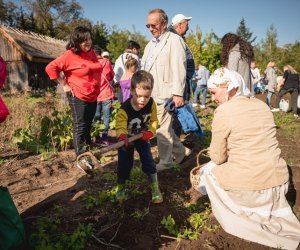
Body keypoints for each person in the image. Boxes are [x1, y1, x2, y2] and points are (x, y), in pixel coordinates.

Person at [198, 67, 300, 249]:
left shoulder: (224, 111)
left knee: (208, 171)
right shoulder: (262, 105)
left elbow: (218, 157)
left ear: (229, 86)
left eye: (214, 92)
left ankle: (239, 211)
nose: (212, 98)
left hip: (253, 192)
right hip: (280, 184)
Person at [45, 26, 103, 169]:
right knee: (80, 125)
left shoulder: (92, 53)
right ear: (76, 42)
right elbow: (50, 68)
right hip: (78, 96)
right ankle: (80, 158)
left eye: (89, 39)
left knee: (88, 124)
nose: (87, 42)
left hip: (92, 95)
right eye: (84, 40)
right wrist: (63, 83)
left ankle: (89, 152)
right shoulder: (69, 55)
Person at [141, 8, 191, 172]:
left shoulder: (174, 41)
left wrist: (177, 93)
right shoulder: (149, 45)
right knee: (164, 128)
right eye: (147, 25)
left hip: (166, 93)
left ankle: (166, 161)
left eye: (153, 25)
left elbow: (179, 67)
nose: (150, 28)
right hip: (152, 94)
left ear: (164, 23)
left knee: (162, 129)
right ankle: (182, 151)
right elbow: (145, 68)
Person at [115, 70, 163, 203]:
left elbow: (153, 120)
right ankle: (121, 187)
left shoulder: (151, 103)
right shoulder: (124, 109)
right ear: (131, 90)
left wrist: (151, 131)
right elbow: (120, 126)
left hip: (142, 137)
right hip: (126, 140)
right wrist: (122, 135)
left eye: (146, 96)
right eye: (139, 95)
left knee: (148, 161)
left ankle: (155, 187)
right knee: (124, 164)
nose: (143, 100)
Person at [168, 13, 194, 101]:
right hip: (178, 84)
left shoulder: (176, 37)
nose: (188, 27)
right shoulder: (174, 38)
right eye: (186, 25)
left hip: (181, 81)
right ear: (179, 25)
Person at [94, 51, 115, 146]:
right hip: (106, 94)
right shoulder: (106, 62)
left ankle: (96, 137)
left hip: (95, 95)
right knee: (106, 117)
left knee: (96, 117)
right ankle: (105, 138)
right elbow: (111, 76)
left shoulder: (91, 63)